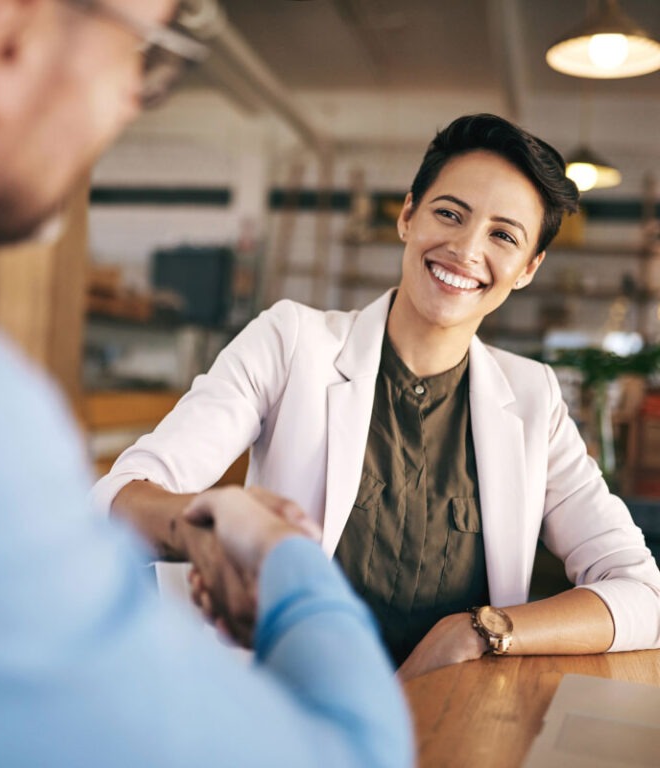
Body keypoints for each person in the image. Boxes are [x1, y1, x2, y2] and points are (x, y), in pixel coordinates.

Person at [0, 1, 413, 765]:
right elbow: (355, 753)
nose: (133, 100)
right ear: (3, 33)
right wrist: (285, 556)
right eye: (145, 55)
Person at [93, 113, 660, 677]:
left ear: (528, 268)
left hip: (455, 728)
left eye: (503, 235)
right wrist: (197, 528)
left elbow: (643, 592)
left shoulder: (533, 400)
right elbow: (118, 496)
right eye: (449, 214)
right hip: (288, 707)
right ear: (409, 216)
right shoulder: (291, 341)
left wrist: (481, 631)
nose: (466, 249)